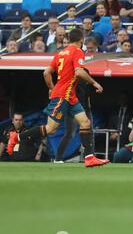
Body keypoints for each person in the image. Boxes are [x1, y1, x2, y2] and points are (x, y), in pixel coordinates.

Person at [7, 29, 109, 168]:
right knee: (51, 129)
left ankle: (89, 158)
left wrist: (51, 87)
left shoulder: (60, 53)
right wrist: (94, 82)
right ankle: (17, 137)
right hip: (63, 95)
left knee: (85, 123)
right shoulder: (77, 51)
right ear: (81, 40)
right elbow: (79, 72)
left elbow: (46, 72)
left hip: (70, 96)